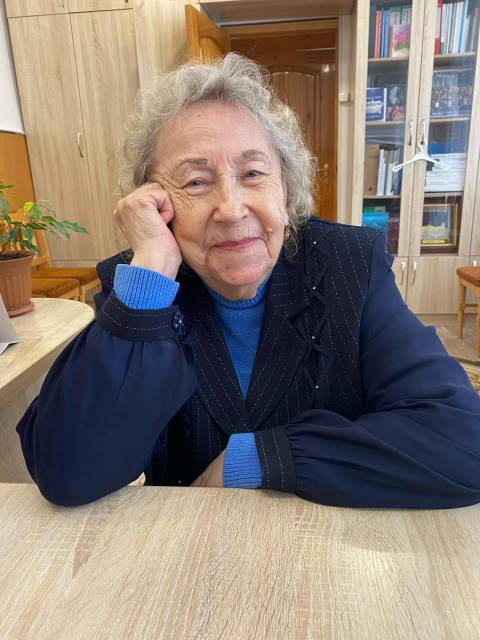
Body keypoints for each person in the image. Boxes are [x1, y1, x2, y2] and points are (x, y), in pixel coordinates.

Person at [17, 54, 480, 508]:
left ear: (287, 189)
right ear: (155, 203)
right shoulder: (141, 288)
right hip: (192, 545)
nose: (232, 209)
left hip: (333, 545)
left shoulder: (350, 265)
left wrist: (260, 458)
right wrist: (153, 266)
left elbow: (463, 440)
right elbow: (68, 473)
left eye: (253, 173)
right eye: (195, 182)